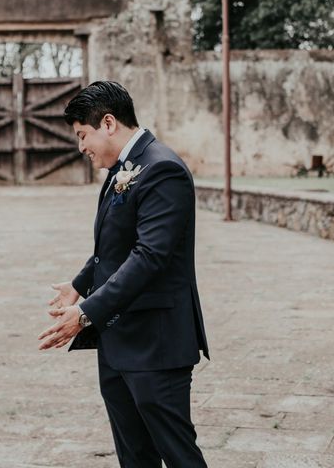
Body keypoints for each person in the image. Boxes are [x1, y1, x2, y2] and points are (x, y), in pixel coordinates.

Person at [38, 82, 209, 467]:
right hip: (118, 340)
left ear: (109, 123)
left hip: (156, 343)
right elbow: (115, 246)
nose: (81, 146)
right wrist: (79, 285)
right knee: (134, 456)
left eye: (83, 135)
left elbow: (150, 256)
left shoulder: (162, 168)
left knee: (178, 454)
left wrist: (84, 314)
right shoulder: (125, 168)